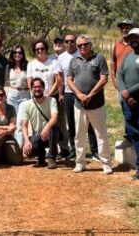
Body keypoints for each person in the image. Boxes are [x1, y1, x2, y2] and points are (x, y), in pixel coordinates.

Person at [66, 35, 113, 174]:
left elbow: (104, 79)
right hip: (79, 105)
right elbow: (69, 80)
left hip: (96, 104)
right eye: (79, 45)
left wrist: (90, 95)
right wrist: (79, 95)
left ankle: (106, 163)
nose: (82, 47)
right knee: (79, 135)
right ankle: (80, 162)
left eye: (85, 44)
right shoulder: (74, 61)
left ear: (90, 45)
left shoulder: (99, 59)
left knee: (101, 134)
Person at [56, 33, 97, 161]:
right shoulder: (61, 57)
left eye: (72, 41)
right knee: (72, 123)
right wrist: (61, 93)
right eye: (67, 41)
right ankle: (74, 150)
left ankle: (94, 150)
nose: (69, 43)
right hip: (69, 94)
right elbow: (59, 77)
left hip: (85, 93)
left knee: (90, 122)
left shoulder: (81, 53)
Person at [115, 28, 139, 180]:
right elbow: (119, 75)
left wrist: (130, 92)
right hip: (127, 102)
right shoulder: (128, 55)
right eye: (130, 38)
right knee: (134, 134)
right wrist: (124, 93)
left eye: (136, 37)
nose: (133, 40)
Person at [28, 39, 69, 158]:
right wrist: (34, 93)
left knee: (59, 122)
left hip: (52, 96)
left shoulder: (53, 62)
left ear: (46, 49)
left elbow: (58, 80)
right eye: (37, 49)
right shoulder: (31, 64)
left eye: (42, 48)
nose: (40, 51)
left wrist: (49, 94)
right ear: (34, 51)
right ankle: (40, 148)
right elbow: (29, 80)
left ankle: (64, 148)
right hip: (36, 98)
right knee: (37, 123)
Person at [19, 78, 59, 168]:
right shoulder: (26, 104)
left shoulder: (51, 100)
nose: (37, 89)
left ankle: (52, 157)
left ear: (44, 88)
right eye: (35, 87)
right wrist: (26, 141)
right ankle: (41, 156)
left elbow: (54, 118)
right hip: (37, 135)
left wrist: (46, 128)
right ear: (31, 89)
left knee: (53, 128)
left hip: (51, 134)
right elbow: (24, 126)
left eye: (39, 87)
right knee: (28, 152)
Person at [113, 19, 135, 150]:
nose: (124, 30)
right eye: (123, 28)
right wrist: (114, 79)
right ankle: (129, 138)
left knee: (135, 110)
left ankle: (136, 137)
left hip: (134, 84)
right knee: (124, 110)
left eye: (127, 27)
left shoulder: (135, 44)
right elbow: (113, 62)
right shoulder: (117, 45)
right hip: (121, 85)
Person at [6, 45, 29, 146]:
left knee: (22, 121)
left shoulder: (28, 65)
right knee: (13, 121)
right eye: (15, 52)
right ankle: (12, 146)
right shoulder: (8, 66)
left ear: (23, 54)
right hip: (12, 94)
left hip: (25, 94)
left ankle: (20, 147)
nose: (17, 54)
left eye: (20, 53)